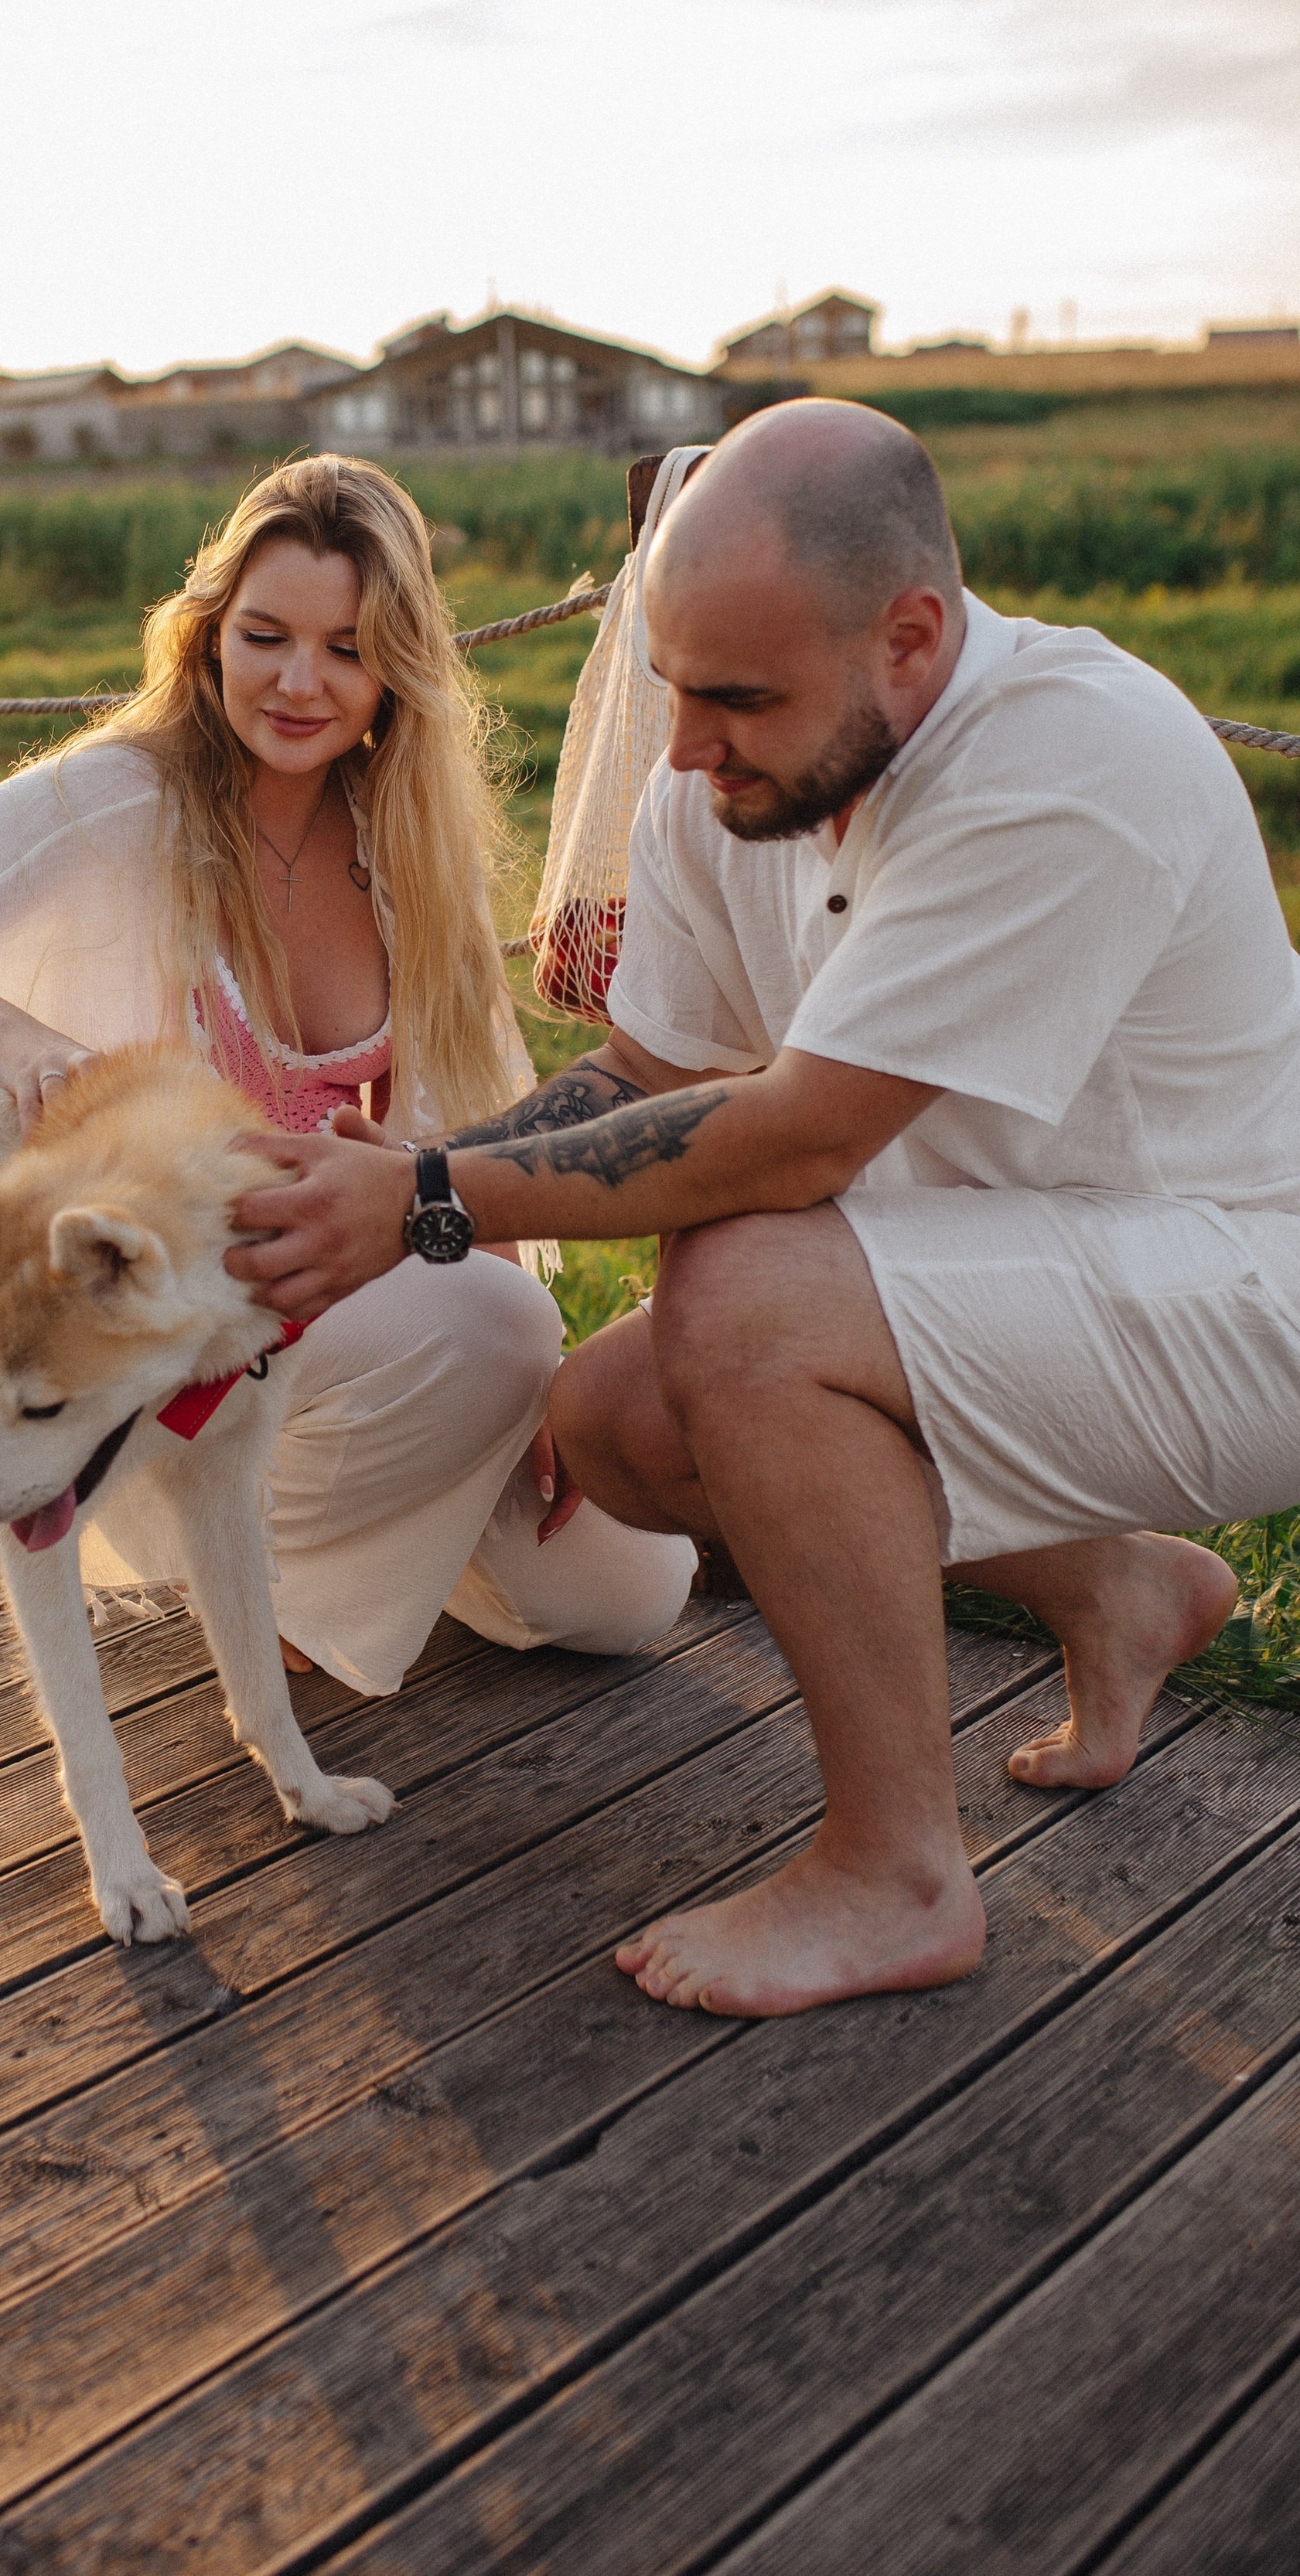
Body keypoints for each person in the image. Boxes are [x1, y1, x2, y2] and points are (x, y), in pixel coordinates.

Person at [223, 397, 1297, 2019]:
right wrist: (410, 1210)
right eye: (667, 685)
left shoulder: (1069, 756)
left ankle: (894, 1873)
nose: (678, 748)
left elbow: (790, 1145)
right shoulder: (721, 777)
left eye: (734, 697)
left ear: (911, 640)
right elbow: (653, 1065)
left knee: (748, 1297)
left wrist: (422, 1196)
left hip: (1243, 1288)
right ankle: (1111, 1587)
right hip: (999, 1281)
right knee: (621, 1418)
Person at [0, 454, 694, 1692]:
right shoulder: (127, 789)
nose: (299, 681)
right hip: (175, 1334)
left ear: (393, 670)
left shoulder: (406, 843)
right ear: (211, 637)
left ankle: (352, 1542)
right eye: (265, 636)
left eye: (345, 646)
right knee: (494, 1322)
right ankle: (267, 1631)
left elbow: (449, 1146)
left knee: (632, 1594)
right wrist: (18, 1039)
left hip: (353, 1334)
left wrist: (523, 1395)